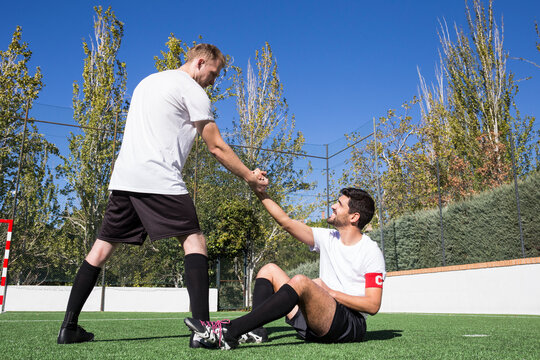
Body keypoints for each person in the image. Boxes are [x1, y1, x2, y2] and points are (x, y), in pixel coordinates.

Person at [57, 44, 268, 347]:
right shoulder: (192, 90)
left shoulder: (147, 82)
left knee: (101, 250)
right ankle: (204, 331)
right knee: (195, 241)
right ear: (199, 62)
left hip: (124, 178)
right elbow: (216, 146)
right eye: (213, 73)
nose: (213, 80)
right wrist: (249, 176)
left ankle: (68, 327)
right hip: (158, 178)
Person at [185, 183, 385, 350]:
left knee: (301, 281)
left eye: (339, 204)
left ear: (354, 217)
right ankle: (256, 331)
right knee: (269, 270)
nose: (333, 206)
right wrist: (259, 191)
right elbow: (286, 222)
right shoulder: (328, 238)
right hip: (315, 319)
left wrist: (330, 292)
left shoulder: (370, 251)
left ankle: (229, 331)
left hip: (348, 325)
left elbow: (372, 305)